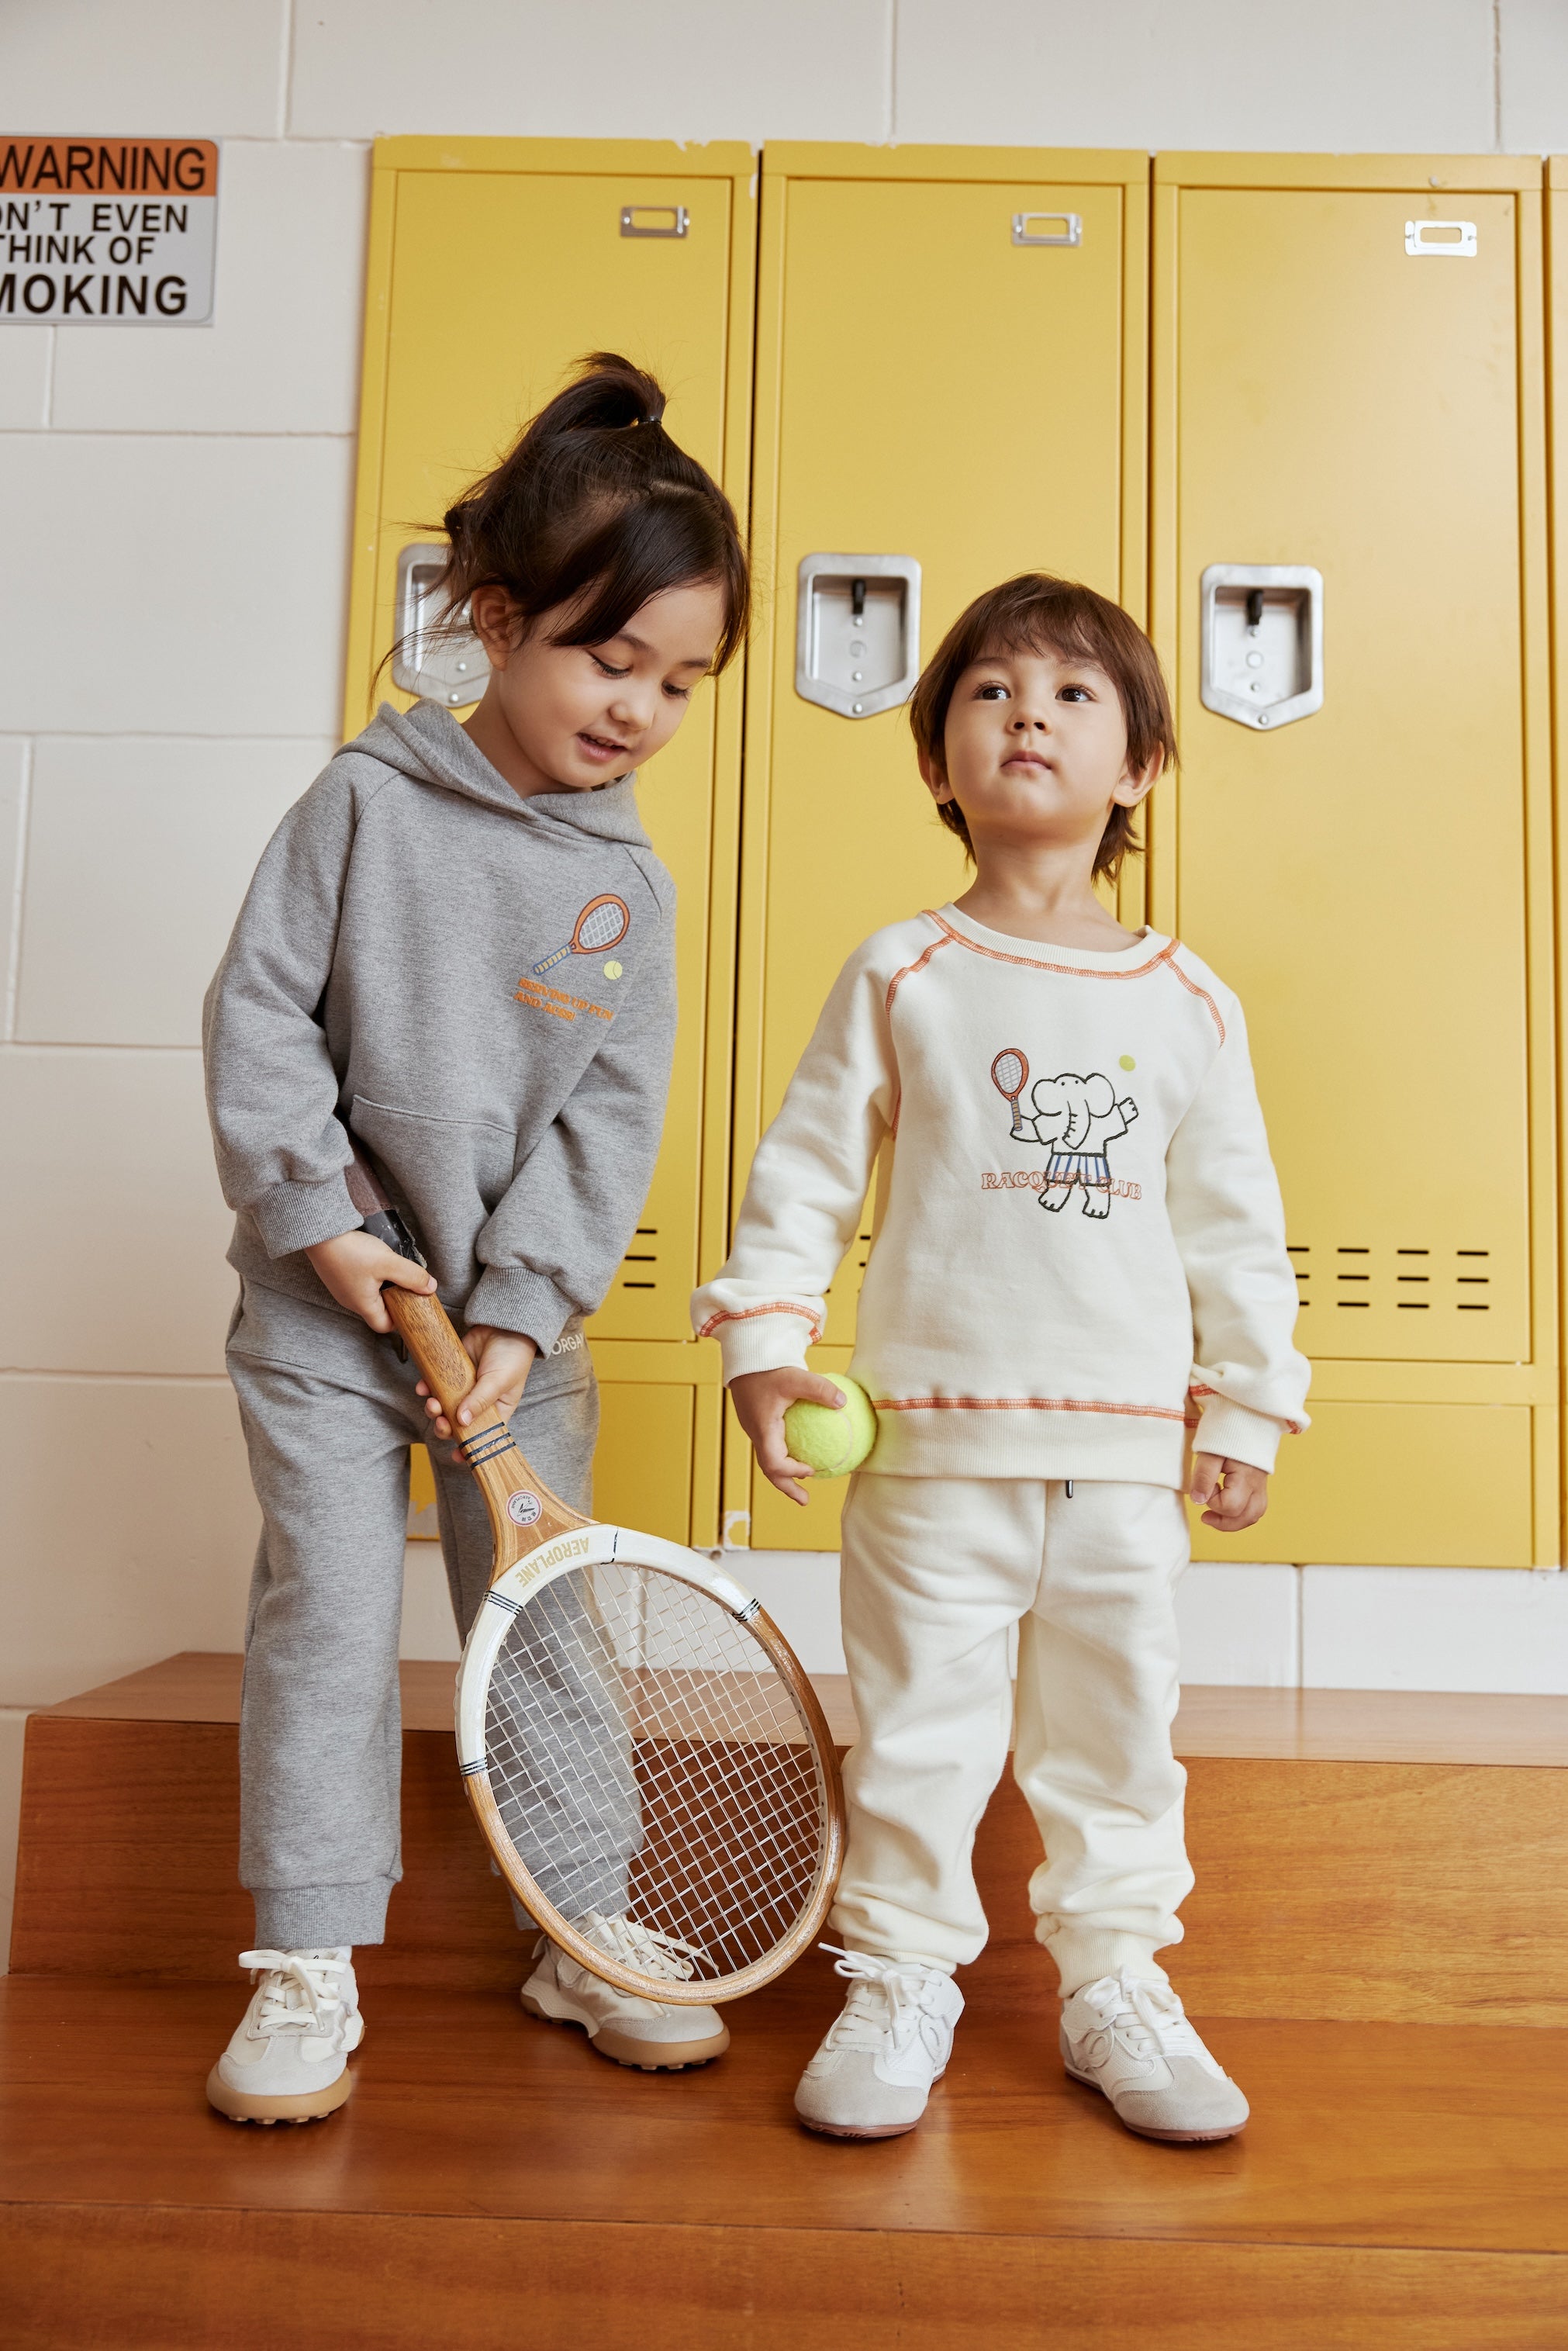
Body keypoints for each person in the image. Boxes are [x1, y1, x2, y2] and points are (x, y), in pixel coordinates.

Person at [692, 573, 1309, 2145]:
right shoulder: (903, 970)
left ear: (1141, 769)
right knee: (919, 1736)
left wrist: (1247, 1397)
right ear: (934, 762)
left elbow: (1235, 1224)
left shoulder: (1188, 1003)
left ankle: (1115, 1982)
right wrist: (769, 1346)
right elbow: (807, 1176)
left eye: (1073, 693)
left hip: (1119, 1466)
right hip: (926, 1455)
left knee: (1115, 1737)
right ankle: (899, 1974)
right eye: (988, 690)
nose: (1027, 711)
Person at [202, 354, 749, 2124]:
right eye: (611, 658)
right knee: (333, 1617)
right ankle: (303, 1959)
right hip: (323, 1318)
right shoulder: (360, 806)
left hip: (513, 1346)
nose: (642, 708)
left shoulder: (633, 886)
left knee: (543, 1621)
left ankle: (581, 1924)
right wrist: (318, 1226)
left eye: (683, 681)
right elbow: (263, 1020)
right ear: (496, 620)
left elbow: (607, 1120)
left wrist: (520, 1314)